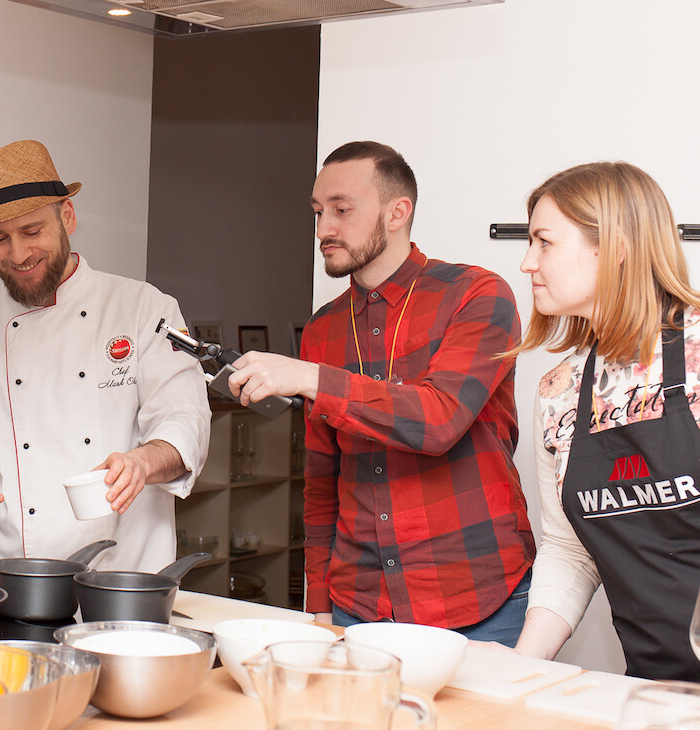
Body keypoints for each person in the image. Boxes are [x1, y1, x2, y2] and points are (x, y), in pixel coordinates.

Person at [226, 141, 535, 645]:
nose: (324, 227)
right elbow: (323, 479)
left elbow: (439, 420)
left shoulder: (478, 294)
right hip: (357, 605)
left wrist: (309, 377)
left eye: (342, 210)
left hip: (477, 600)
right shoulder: (322, 330)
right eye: (318, 211)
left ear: (398, 212)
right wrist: (319, 602)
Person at [0, 139, 210, 579]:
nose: (17, 254)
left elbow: (184, 419)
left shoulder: (144, 309)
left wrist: (142, 462)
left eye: (32, 231)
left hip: (123, 583)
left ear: (67, 216)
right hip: (12, 582)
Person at [509, 162, 700, 680]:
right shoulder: (559, 391)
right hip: (653, 687)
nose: (528, 262)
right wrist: (520, 667)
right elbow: (570, 551)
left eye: (544, 242)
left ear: (615, 246)